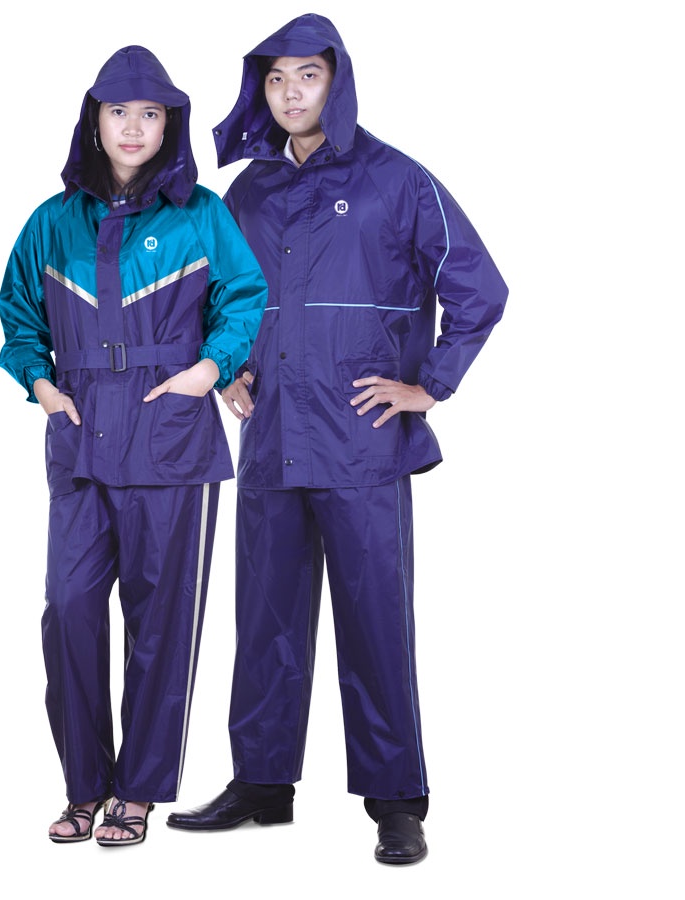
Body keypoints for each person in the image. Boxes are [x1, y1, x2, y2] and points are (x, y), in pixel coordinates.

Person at [165, 13, 508, 865]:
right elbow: (214, 299)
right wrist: (229, 367)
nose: (290, 93)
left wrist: (430, 384)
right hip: (271, 437)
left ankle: (396, 803)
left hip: (361, 441)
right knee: (265, 620)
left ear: (336, 81)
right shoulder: (246, 194)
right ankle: (261, 783)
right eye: (276, 79)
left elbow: (480, 287)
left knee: (375, 623)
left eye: (307, 76)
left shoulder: (397, 179)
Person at [0, 45, 267, 847]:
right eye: (119, 112)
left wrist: (211, 369)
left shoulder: (200, 213)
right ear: (95, 121)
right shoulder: (53, 222)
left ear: (168, 125)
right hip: (81, 434)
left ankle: (138, 791)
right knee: (70, 608)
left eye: (150, 114)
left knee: (161, 622)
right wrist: (40, 384)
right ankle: (85, 784)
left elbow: (244, 295)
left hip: (170, 436)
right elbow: (18, 313)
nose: (134, 127)